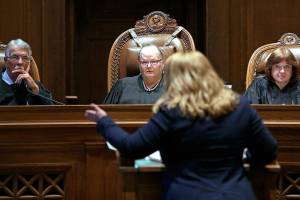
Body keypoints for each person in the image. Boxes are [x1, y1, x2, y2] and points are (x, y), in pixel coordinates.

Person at [85, 51, 277, 200]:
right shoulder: (239, 105)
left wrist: (104, 122)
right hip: (236, 193)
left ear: (173, 78)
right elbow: (268, 151)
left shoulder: (172, 111)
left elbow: (132, 147)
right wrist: (245, 159)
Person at [0, 39, 53, 105]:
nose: (20, 62)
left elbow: (50, 111)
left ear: (29, 63)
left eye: (25, 58)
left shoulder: (34, 84)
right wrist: (18, 88)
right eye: (15, 57)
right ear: (6, 61)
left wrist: (35, 89)